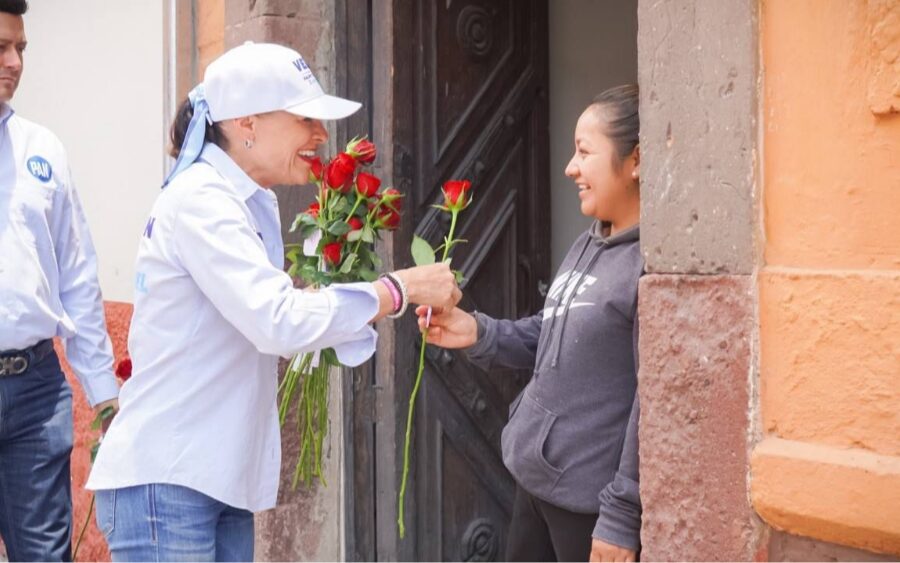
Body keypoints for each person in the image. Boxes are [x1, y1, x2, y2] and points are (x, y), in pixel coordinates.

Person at [86, 42, 460, 562]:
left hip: (209, 476)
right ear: (247, 123)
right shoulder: (203, 201)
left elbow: (266, 316)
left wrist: (334, 304)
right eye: (305, 118)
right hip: (170, 481)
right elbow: (275, 322)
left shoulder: (243, 199)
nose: (321, 136)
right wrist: (395, 290)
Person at [417, 85, 643, 562]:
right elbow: (552, 331)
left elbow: (652, 403)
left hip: (588, 506)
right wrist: (478, 331)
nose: (570, 167)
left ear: (636, 160)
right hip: (536, 481)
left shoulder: (649, 268)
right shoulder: (589, 241)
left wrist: (622, 514)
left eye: (584, 152)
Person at [0, 1, 120, 560]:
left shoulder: (42, 150)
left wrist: (103, 396)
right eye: (1, 46)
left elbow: (77, 276)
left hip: (36, 390)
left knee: (45, 556)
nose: (15, 61)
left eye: (21, 48)